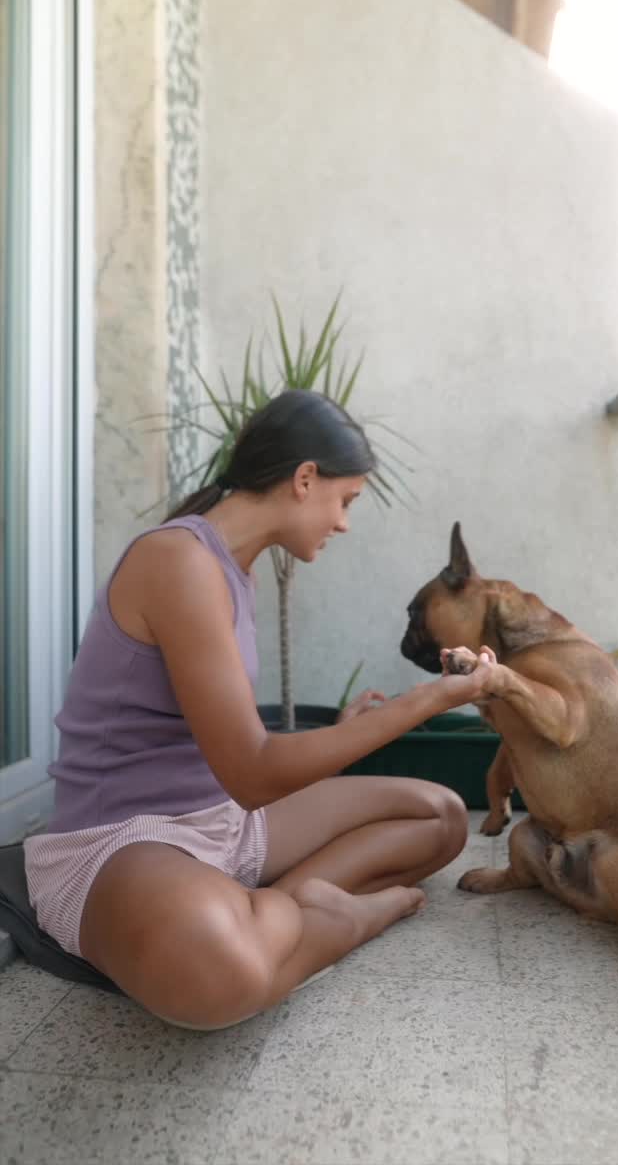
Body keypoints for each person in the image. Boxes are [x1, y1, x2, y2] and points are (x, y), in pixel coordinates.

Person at [24, 390, 491, 1030]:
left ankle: (282, 909)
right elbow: (251, 769)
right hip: (124, 839)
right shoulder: (178, 561)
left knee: (440, 816)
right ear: (304, 480)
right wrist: (432, 698)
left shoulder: (233, 571)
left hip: (223, 819)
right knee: (220, 974)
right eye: (345, 500)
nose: (344, 522)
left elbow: (219, 742)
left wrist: (333, 732)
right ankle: (336, 920)